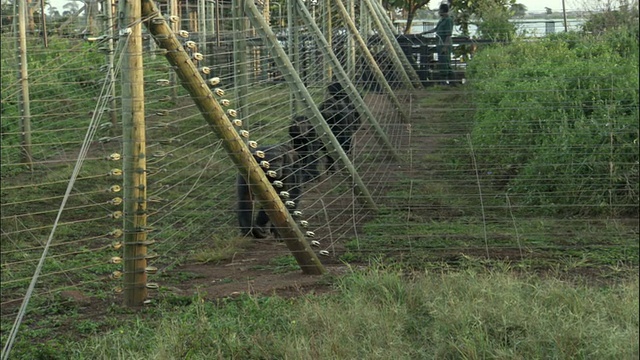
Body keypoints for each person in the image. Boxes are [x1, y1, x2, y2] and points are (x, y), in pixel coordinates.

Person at [420, 3, 454, 84]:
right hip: (439, 43)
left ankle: (449, 82)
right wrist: (425, 32)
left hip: (444, 44)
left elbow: (448, 35)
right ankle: (449, 83)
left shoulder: (448, 20)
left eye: (440, 10)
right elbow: (436, 29)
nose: (439, 12)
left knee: (445, 62)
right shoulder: (441, 20)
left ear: (443, 11)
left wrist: (445, 47)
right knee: (442, 62)